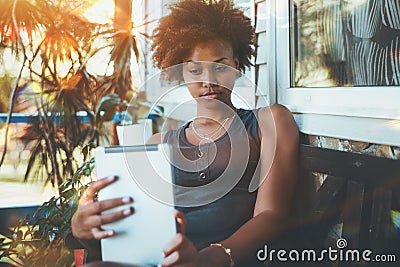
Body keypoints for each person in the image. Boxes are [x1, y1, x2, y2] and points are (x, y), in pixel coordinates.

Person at [70, 0, 299, 266]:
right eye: (195, 69)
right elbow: (135, 224)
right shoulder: (158, 145)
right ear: (183, 74)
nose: (208, 80)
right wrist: (82, 228)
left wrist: (208, 260)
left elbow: (271, 215)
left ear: (236, 66)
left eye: (221, 66)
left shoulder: (268, 121)